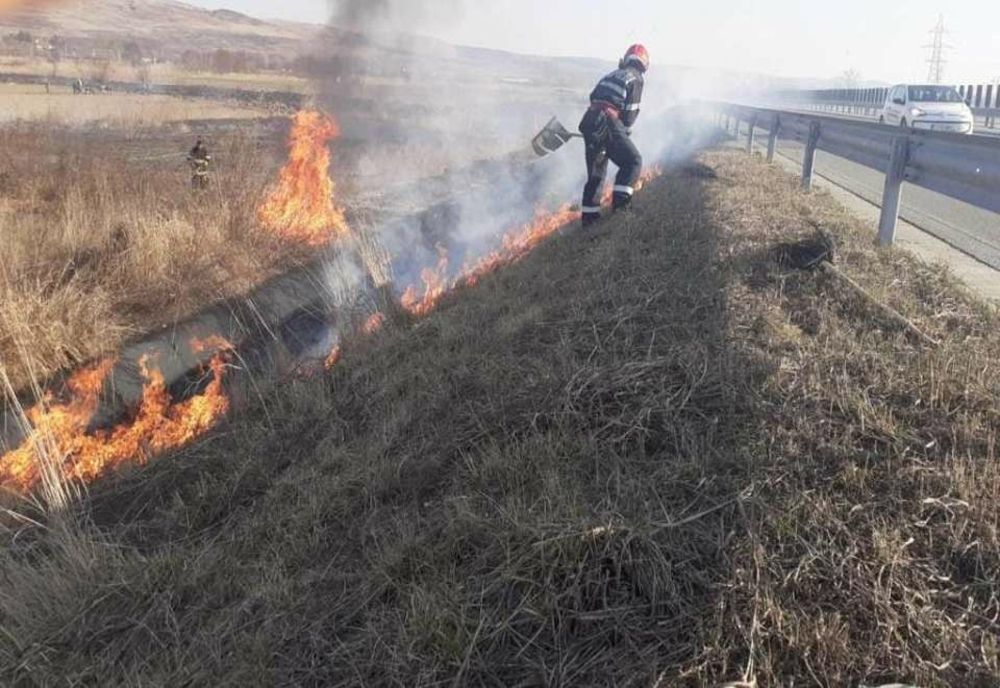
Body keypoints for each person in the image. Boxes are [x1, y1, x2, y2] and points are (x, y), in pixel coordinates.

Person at [579, 44, 649, 227]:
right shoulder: (636, 78)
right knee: (633, 161)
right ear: (644, 65)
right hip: (608, 120)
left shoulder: (609, 75)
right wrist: (622, 130)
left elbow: (593, 97)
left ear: (625, 59)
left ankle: (589, 220)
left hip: (590, 120)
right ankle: (620, 209)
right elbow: (630, 114)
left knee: (596, 172)